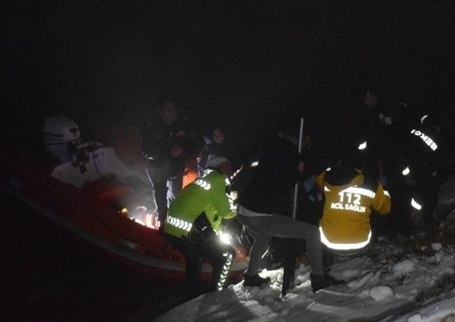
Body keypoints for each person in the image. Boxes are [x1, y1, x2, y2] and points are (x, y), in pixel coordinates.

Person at [236, 122, 344, 293]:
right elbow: (287, 181)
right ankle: (318, 277)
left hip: (242, 209)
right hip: (259, 214)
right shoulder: (290, 153)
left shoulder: (271, 149)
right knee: (312, 232)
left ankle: (250, 276)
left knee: (262, 239)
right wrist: (299, 170)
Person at [163, 155, 238, 294]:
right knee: (227, 254)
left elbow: (209, 210)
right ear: (220, 167)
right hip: (189, 233)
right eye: (228, 166)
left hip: (173, 229)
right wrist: (237, 207)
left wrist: (218, 230)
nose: (231, 169)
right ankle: (217, 292)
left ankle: (193, 292)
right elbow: (227, 212)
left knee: (195, 257)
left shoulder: (204, 181)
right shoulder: (218, 180)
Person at [316, 150, 391, 259]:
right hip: (359, 244)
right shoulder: (372, 185)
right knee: (372, 212)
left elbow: (319, 182)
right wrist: (384, 188)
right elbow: (385, 209)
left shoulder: (327, 177)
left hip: (328, 243)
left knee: (326, 206)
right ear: (361, 166)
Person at [142, 98, 202, 229]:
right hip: (158, 167)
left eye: (173, 108)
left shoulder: (183, 126)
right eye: (168, 108)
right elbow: (145, 149)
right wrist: (166, 152)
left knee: (176, 195)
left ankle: (176, 221)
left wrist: (182, 151)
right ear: (161, 111)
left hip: (176, 168)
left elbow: (195, 147)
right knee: (160, 190)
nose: (172, 111)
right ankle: (162, 220)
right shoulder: (152, 127)